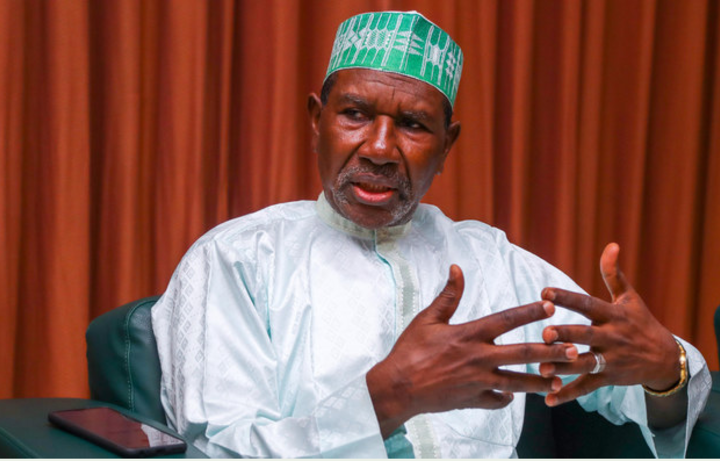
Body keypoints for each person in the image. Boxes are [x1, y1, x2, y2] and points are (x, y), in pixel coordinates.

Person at [151, 11, 710, 458]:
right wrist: (390, 397)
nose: (379, 149)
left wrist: (666, 369)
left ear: (447, 146)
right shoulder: (237, 259)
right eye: (355, 114)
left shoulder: (492, 260)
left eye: (413, 125)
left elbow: (642, 393)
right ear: (316, 121)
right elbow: (213, 449)